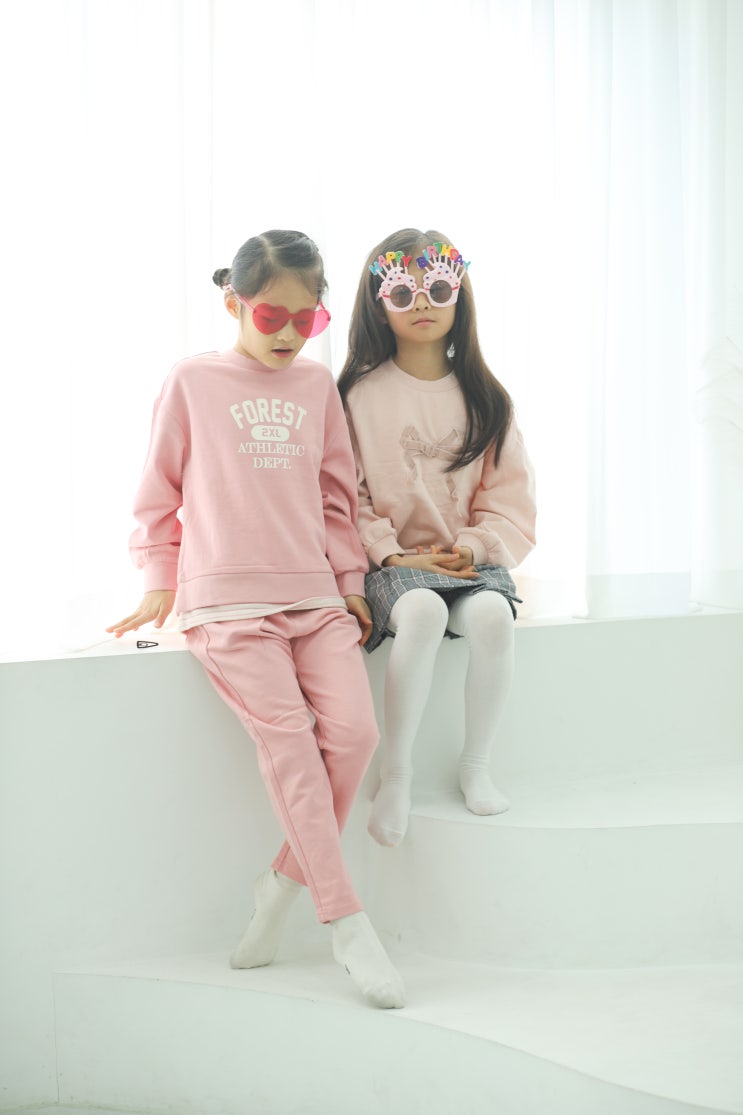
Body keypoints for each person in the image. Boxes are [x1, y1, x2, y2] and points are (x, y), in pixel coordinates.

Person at [107, 229, 404, 1009]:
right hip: (228, 604)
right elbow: (156, 492)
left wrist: (349, 582)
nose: (287, 334)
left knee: (356, 736)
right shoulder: (192, 381)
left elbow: (335, 496)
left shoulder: (316, 386)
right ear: (233, 303)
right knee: (292, 747)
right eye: (272, 316)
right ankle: (346, 922)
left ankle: (279, 887)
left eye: (306, 320)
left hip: (313, 595)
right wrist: (158, 579)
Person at [337, 228, 536, 848]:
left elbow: (509, 500)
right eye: (403, 293)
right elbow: (345, 496)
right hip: (394, 565)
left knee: (494, 619)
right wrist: (391, 552)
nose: (422, 303)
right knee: (421, 612)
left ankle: (476, 764)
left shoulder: (486, 399)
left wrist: (471, 548)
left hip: (467, 559)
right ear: (380, 306)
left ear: (460, 297)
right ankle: (396, 773)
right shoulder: (356, 396)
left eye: (439, 289)